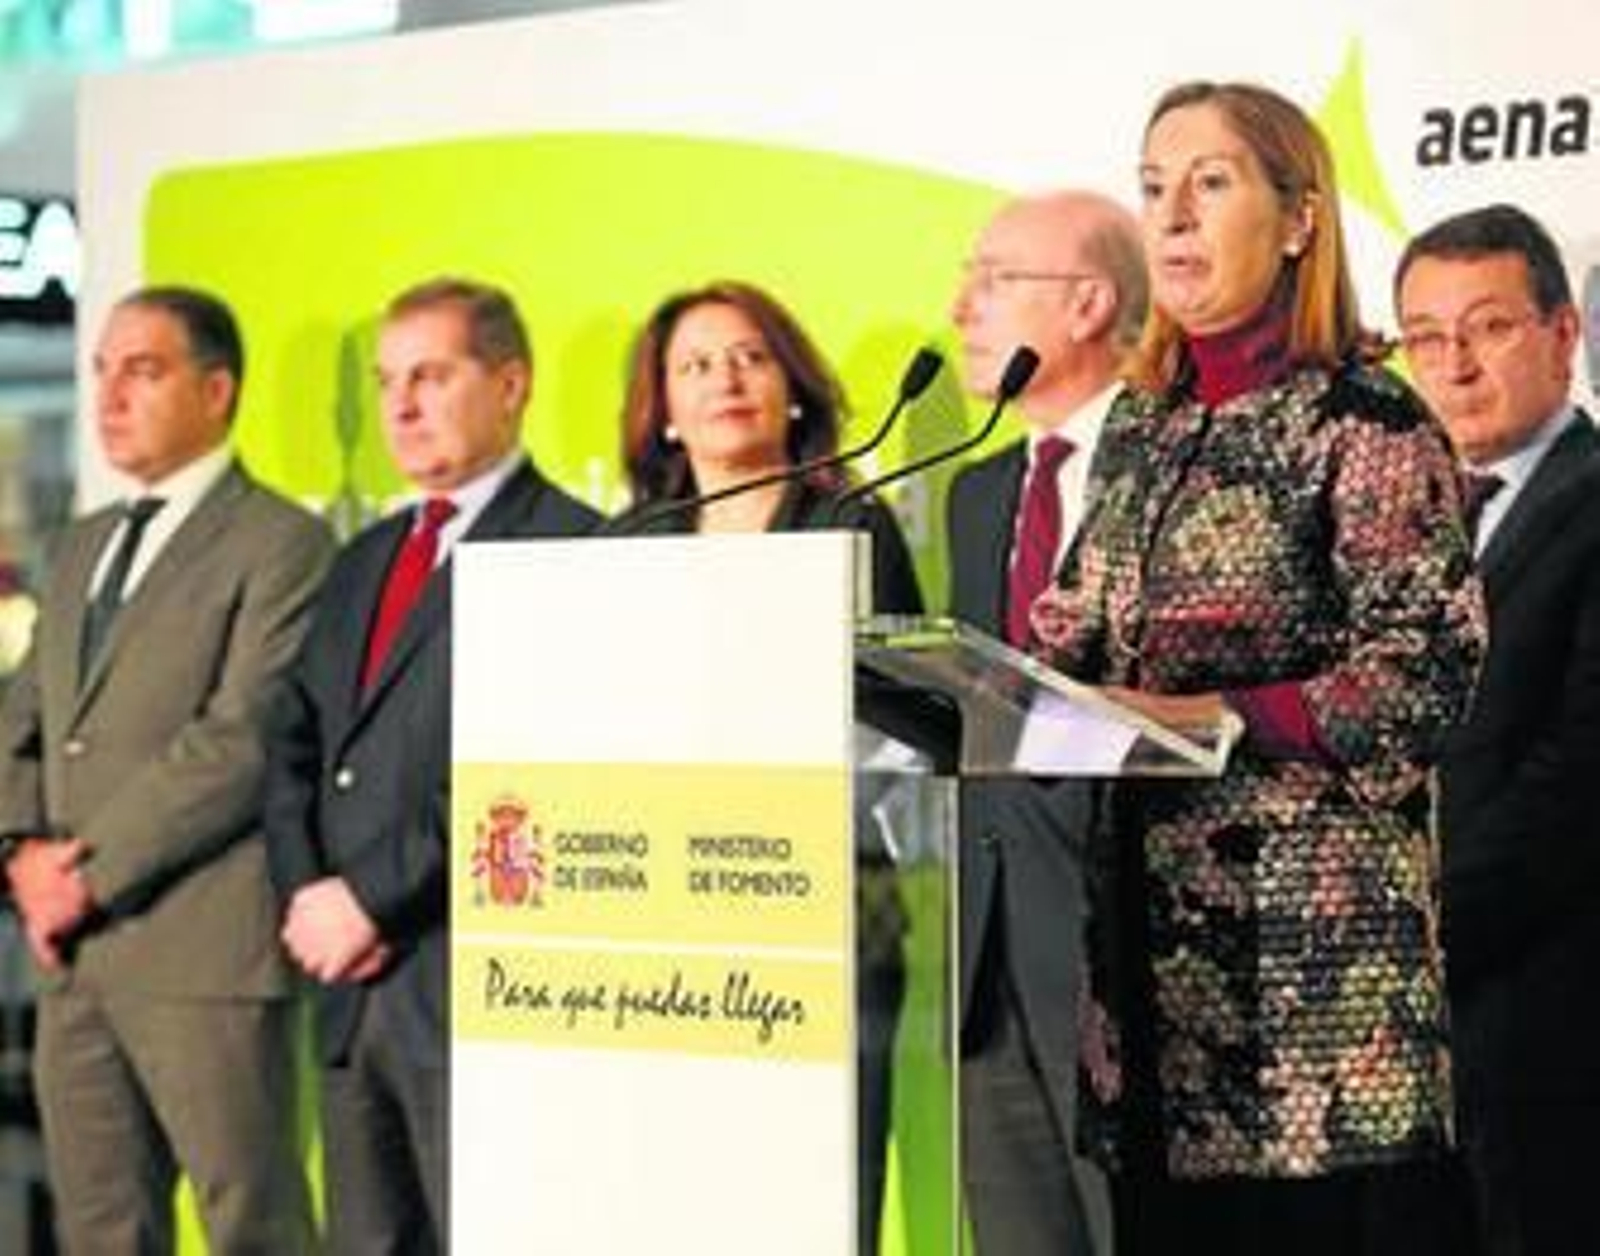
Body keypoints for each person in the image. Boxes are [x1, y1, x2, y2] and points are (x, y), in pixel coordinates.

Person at [1029, 82, 1484, 1256]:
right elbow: (1082, 621)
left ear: (1298, 220)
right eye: (1150, 185)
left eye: (1209, 181)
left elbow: (1425, 667)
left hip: (1316, 1032)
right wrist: (999, 676)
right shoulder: (1141, 424)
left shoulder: (1363, 419)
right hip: (1152, 1016)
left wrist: (1213, 714)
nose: (1170, 214)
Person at [267, 277, 601, 1253]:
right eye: (385, 381)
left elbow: (535, 774)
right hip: (346, 989)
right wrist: (309, 899)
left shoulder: (575, 544)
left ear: (510, 383)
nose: (401, 405)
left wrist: (370, 898)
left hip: (474, 988)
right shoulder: (363, 556)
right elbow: (288, 743)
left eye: (430, 374)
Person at [0, 285, 330, 1253]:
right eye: (102, 370)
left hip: (205, 960)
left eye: (142, 370)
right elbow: (21, 716)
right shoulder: (82, 544)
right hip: (74, 964)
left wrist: (83, 876)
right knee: (103, 1230)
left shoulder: (283, 542)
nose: (109, 396)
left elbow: (241, 737)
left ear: (217, 388)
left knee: (253, 1226)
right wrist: (20, 851)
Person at [616, 280, 921, 1256]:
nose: (725, 380)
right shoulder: (632, 545)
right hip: (674, 932)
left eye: (748, 355)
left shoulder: (850, 526)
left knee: (820, 1208)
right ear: (663, 408)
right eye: (695, 365)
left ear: (790, 382)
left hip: (826, 920)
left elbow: (900, 735)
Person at [1395, 204, 1600, 1256]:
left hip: (1548, 1015)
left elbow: (1577, 778)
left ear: (1565, 334)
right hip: (1402, 1046)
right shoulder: (1394, 518)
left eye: (1489, 327)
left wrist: (1416, 929)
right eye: (1425, 337)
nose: (1455, 366)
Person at [945, 189, 1146, 1256]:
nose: (957, 306)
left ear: (1087, 302)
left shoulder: (1177, 467)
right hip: (989, 973)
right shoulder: (979, 495)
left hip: (1133, 977)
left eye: (992, 279)